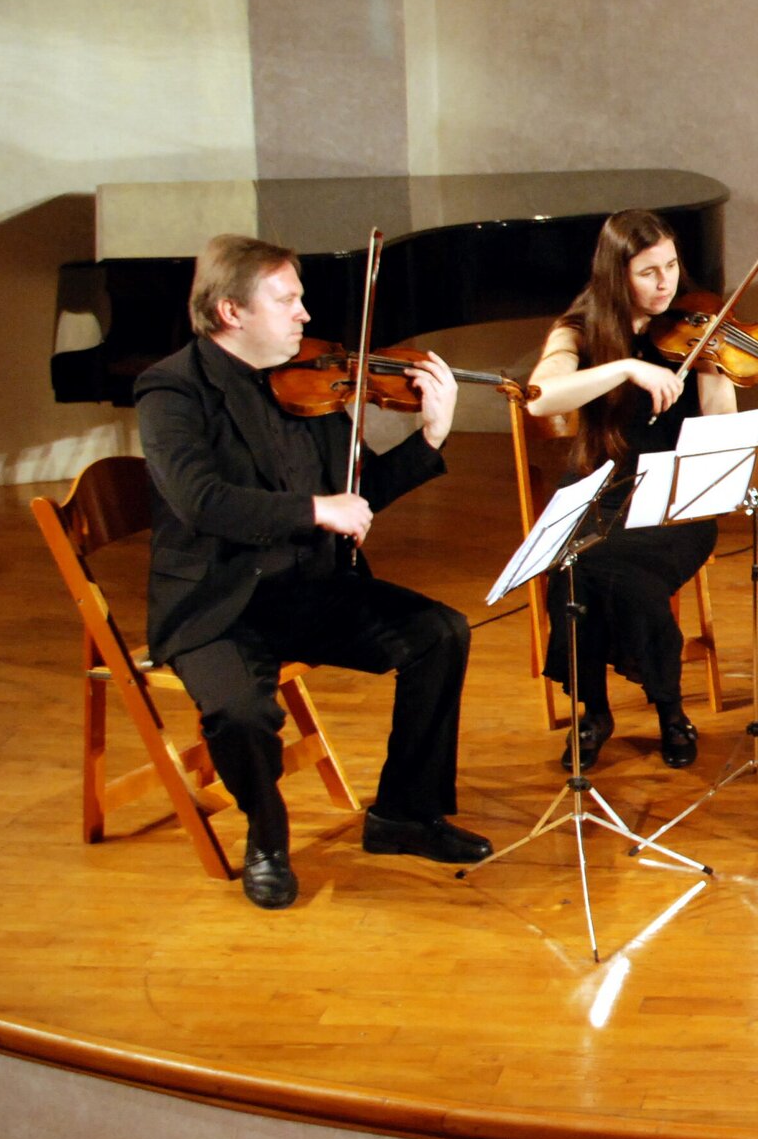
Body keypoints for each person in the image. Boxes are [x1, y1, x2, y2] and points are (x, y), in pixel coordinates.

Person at [135, 234, 491, 911]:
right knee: (240, 712)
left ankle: (402, 816)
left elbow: (356, 497)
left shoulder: (313, 381)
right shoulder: (173, 389)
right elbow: (200, 500)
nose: (304, 314)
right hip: (218, 606)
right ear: (231, 312)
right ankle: (266, 837)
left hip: (313, 591)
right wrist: (314, 508)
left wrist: (432, 437)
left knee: (440, 633)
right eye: (287, 299)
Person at [523, 209, 758, 771]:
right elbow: (540, 396)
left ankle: (665, 707)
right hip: (596, 493)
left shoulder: (702, 332)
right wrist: (624, 370)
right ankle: (598, 710)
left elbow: (723, 437)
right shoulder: (578, 330)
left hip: (675, 504)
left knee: (618, 576)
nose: (666, 284)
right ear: (616, 275)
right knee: (574, 566)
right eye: (648, 272)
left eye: (672, 266)